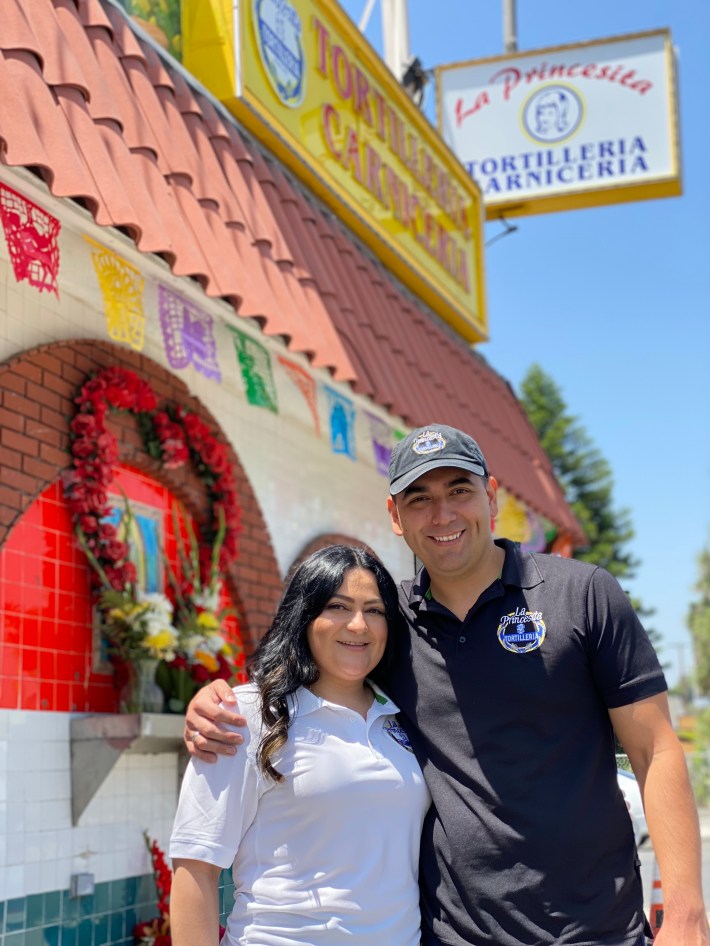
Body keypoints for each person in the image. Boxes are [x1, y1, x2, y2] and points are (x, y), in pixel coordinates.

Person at [184, 424, 710, 946]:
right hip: (454, 935)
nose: (442, 515)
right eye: (419, 499)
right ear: (395, 516)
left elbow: (654, 748)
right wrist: (217, 700)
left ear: (491, 497)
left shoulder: (582, 595)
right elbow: (313, 669)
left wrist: (686, 913)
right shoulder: (388, 625)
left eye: (459, 490)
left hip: (597, 929)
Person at [169, 544, 430, 946]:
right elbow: (196, 867)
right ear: (304, 616)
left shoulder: (404, 716)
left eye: (374, 610)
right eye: (338, 606)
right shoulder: (247, 715)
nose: (358, 625)